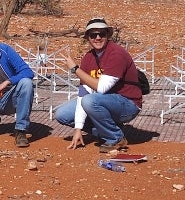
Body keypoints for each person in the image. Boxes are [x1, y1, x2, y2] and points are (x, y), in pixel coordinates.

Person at [55, 17, 142, 153]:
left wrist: (75, 69)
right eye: (93, 35)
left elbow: (102, 87)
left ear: (107, 35)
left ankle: (115, 137)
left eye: (101, 34)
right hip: (104, 101)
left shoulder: (116, 53)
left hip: (128, 103)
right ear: (88, 38)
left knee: (91, 101)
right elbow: (83, 93)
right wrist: (78, 129)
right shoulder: (88, 58)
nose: (97, 38)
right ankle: (106, 132)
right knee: (63, 114)